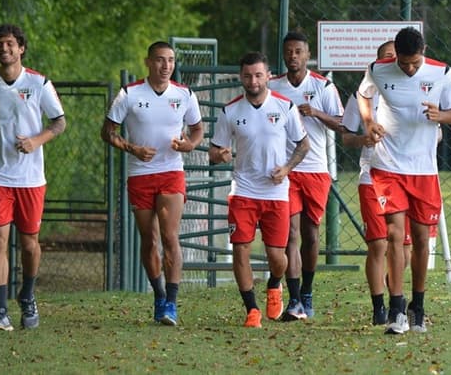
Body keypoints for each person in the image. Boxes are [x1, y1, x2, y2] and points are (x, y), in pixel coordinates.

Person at [357, 27, 451, 334]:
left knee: (419, 239)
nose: (410, 68)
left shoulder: (441, 72)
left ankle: (419, 305)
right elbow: (363, 96)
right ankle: (397, 308)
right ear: (396, 57)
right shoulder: (378, 69)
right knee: (393, 234)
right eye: (405, 63)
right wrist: (369, 121)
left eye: (415, 63)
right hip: (387, 165)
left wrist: (440, 116)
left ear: (423, 52)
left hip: (423, 170)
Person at [0, 24, 67, 331]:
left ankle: (28, 295)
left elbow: (59, 122)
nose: (4, 48)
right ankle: (0, 311)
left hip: (31, 179)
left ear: (21, 48)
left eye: (10, 43)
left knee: (29, 244)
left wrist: (36, 141)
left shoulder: (38, 83)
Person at [101, 41, 204, 326]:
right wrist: (133, 148)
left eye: (170, 60)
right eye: (160, 60)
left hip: (171, 171)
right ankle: (158, 294)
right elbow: (107, 132)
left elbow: (197, 129)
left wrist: (189, 145)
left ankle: (171, 302)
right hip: (140, 174)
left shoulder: (184, 94)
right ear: (148, 62)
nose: (166, 65)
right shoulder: (129, 94)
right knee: (150, 239)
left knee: (170, 236)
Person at [209, 51, 310, 328]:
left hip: (276, 193)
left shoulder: (284, 107)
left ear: (268, 76)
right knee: (240, 249)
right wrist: (221, 154)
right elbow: (214, 151)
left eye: (258, 75)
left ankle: (275, 284)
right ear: (241, 77)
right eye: (247, 76)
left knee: (278, 258)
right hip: (242, 192)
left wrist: (287, 168)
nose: (253, 81)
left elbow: (303, 145)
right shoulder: (230, 111)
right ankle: (251, 309)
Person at [267, 30, 344, 320]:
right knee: (292, 234)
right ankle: (295, 298)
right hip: (286, 171)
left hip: (315, 170)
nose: (293, 56)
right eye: (288, 52)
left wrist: (316, 113)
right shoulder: (273, 86)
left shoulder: (323, 86)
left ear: (308, 55)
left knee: (311, 235)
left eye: (298, 51)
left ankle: (308, 293)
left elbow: (341, 123)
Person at [342, 41, 413, 326]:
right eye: (386, 57)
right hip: (372, 175)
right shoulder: (362, 95)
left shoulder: (413, 91)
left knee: (404, 248)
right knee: (378, 244)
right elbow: (346, 136)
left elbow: (436, 133)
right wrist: (364, 138)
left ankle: (393, 289)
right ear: (376, 63)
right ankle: (379, 306)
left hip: (407, 176)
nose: (392, 62)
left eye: (397, 57)